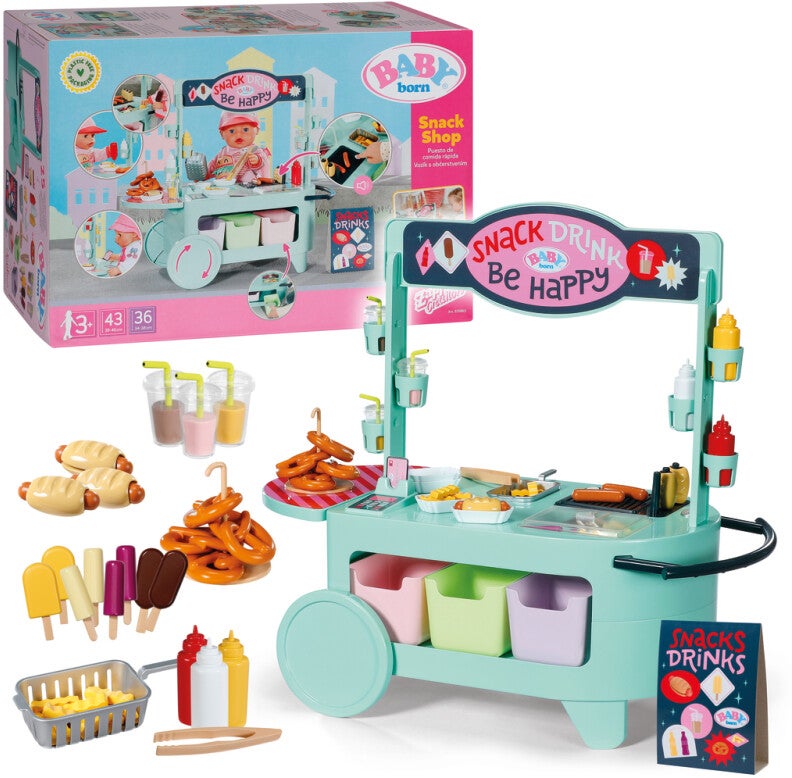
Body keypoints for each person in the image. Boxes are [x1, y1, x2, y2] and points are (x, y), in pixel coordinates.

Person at [207, 111, 272, 185]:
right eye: (232, 131)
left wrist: (256, 161)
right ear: (222, 134)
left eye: (245, 130)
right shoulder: (223, 152)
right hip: (228, 187)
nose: (238, 135)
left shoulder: (255, 150)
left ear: (256, 130)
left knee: (248, 176)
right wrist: (202, 175)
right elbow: (211, 168)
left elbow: (262, 166)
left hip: (249, 186)